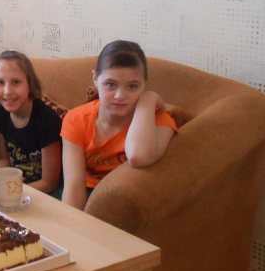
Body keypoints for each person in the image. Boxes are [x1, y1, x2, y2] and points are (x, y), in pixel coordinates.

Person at [61, 40, 178, 210]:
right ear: (95, 78)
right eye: (110, 85)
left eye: (132, 86)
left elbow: (139, 156)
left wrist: (148, 100)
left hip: (129, 205)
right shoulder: (76, 119)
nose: (120, 95)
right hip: (84, 194)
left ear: (144, 84)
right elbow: (73, 188)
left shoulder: (159, 121)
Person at [0, 50, 62, 195]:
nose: (7, 91)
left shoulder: (47, 119)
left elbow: (50, 182)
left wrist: (12, 192)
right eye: (0, 82)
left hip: (46, 192)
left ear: (29, 83)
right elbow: (5, 159)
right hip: (15, 187)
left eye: (16, 82)